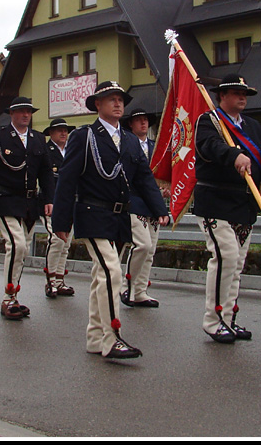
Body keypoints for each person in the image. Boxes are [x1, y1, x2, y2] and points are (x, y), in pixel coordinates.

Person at [52, 81, 169, 359]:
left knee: (101, 276)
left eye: (120, 99)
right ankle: (112, 336)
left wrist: (159, 208)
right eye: (110, 99)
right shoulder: (84, 136)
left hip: (119, 217)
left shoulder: (129, 140)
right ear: (97, 105)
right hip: (92, 213)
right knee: (112, 272)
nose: (118, 104)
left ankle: (95, 337)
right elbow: (67, 180)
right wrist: (61, 221)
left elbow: (143, 178)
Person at [193, 73, 261, 344]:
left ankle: (228, 318)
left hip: (244, 202)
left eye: (244, 93)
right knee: (226, 257)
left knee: (237, 263)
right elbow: (208, 147)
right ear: (222, 96)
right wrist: (233, 155)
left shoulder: (252, 126)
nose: (242, 97)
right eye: (235, 92)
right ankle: (213, 319)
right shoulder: (209, 121)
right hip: (215, 201)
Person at [0, 97, 55, 320]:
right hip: (5, 198)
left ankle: (13, 294)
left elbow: (45, 172)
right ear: (12, 114)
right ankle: (8, 297)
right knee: (17, 245)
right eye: (21, 111)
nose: (26, 115)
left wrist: (49, 198)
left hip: (29, 202)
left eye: (29, 111)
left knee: (22, 247)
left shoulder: (38, 138)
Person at [119, 108, 166, 308]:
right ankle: (127, 286)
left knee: (151, 250)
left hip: (154, 202)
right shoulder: (124, 144)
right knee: (142, 245)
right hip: (134, 199)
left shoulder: (157, 147)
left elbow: (164, 173)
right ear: (131, 124)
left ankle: (140, 291)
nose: (143, 123)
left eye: (146, 120)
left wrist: (165, 188)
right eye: (139, 120)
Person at [41, 118, 75, 297]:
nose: (63, 133)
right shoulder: (46, 152)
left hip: (69, 202)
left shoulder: (70, 151)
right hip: (52, 202)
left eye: (65, 130)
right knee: (55, 240)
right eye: (59, 130)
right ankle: (50, 280)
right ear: (51, 133)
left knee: (66, 242)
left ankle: (60, 280)